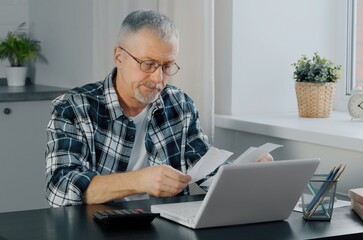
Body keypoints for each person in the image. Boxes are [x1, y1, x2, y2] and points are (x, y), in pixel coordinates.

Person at [45, 9, 271, 207]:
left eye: (167, 66)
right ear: (119, 57)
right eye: (148, 64)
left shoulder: (180, 104)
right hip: (97, 229)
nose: (158, 78)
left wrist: (246, 172)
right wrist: (139, 181)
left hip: (165, 227)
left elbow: (203, 168)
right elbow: (60, 189)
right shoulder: (74, 107)